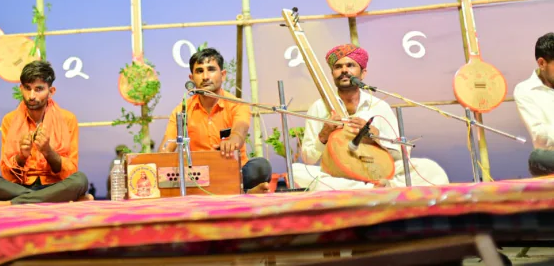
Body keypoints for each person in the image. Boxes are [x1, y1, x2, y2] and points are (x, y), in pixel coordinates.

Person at [292, 44, 450, 191]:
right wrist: (323, 136)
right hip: (338, 173)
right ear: (332, 74)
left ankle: (375, 186)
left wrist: (376, 136)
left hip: (378, 170)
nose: (344, 70)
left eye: (350, 65)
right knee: (296, 171)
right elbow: (308, 159)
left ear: (363, 73)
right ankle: (371, 189)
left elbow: (403, 154)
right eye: (338, 67)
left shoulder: (379, 107)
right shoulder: (318, 108)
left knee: (430, 169)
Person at [0, 60, 91, 206]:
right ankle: (53, 200)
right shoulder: (9, 120)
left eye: (39, 89)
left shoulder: (68, 119)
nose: (31, 96)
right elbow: (6, 173)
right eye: (27, 88)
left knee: (80, 180)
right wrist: (22, 156)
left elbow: (71, 171)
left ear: (51, 91)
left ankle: (2, 205)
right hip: (19, 187)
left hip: (54, 186)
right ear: (21, 88)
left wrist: (48, 152)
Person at [158, 47, 272, 193]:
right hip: (198, 176)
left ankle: (236, 190)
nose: (205, 76)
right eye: (199, 71)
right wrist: (161, 159)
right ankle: (243, 193)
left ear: (223, 75)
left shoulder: (237, 105)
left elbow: (239, 132)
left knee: (260, 167)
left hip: (233, 172)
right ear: (191, 78)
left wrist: (232, 141)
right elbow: (165, 149)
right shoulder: (182, 110)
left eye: (211, 69)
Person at [514, 32, 554, 177]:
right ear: (542, 63)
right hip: (551, 157)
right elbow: (541, 138)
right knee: (537, 158)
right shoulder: (525, 90)